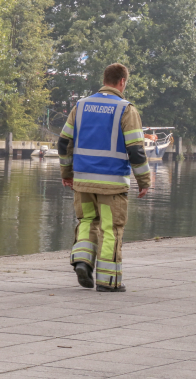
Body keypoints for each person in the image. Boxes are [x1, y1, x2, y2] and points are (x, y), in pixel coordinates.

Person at [58, 63, 151, 292]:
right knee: (110, 229)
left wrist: (67, 173)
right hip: (112, 183)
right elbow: (136, 151)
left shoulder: (80, 106)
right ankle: (108, 281)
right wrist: (144, 180)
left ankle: (82, 261)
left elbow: (63, 142)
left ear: (104, 79)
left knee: (88, 221)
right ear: (122, 82)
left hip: (83, 181)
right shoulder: (126, 110)